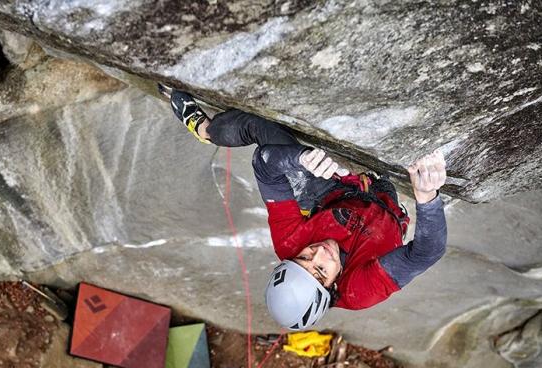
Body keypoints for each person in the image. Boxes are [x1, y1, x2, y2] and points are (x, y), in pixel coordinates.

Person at [169, 89, 447, 330]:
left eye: (304, 258)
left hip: (329, 197)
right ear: (333, 287)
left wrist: (300, 159)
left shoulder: (289, 243)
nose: (319, 254)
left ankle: (206, 130)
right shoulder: (359, 290)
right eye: (321, 271)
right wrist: (427, 197)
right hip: (382, 205)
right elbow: (425, 252)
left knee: (262, 129)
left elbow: (264, 167)